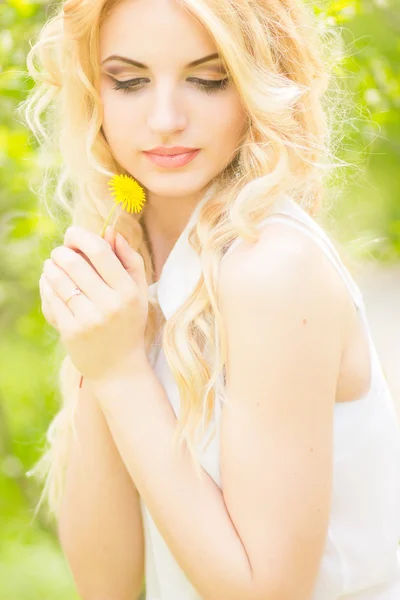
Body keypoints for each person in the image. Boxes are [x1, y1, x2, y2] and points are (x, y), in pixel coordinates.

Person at [21, 0, 400, 598]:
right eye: (130, 81)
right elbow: (107, 586)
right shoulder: (130, 260)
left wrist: (121, 374)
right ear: (95, 92)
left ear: (257, 81)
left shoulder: (272, 268)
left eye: (208, 79)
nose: (166, 118)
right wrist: (101, 361)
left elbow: (265, 593)